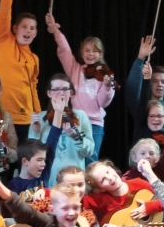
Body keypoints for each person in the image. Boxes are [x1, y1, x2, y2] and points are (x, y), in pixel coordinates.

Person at [44, 14, 115, 161]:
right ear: (82, 53)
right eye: (87, 50)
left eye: (95, 51)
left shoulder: (105, 74)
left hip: (94, 124)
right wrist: (56, 32)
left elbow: (103, 103)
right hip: (74, 121)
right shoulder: (75, 69)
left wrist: (108, 87)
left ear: (100, 54)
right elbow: (65, 50)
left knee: (90, 161)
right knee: (72, 159)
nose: (91, 54)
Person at [0, 0, 40, 142]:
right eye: (25, 26)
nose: (28, 31)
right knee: (1, 164)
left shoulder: (34, 59)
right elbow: (4, 13)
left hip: (25, 120)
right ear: (15, 28)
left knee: (25, 163)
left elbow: (33, 87)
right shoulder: (3, 39)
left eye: (32, 28)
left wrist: (38, 115)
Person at [28, 74, 94, 184]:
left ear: (71, 93)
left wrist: (75, 137)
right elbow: (31, 153)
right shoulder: (40, 117)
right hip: (49, 179)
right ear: (49, 93)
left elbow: (89, 151)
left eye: (65, 89)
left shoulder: (81, 116)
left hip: (74, 178)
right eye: (56, 89)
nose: (61, 93)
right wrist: (35, 132)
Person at [81, 159, 162, 226]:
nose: (109, 178)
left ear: (111, 168)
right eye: (103, 180)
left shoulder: (138, 183)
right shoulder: (100, 200)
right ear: (100, 189)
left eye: (108, 172)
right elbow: (77, 203)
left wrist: (148, 207)